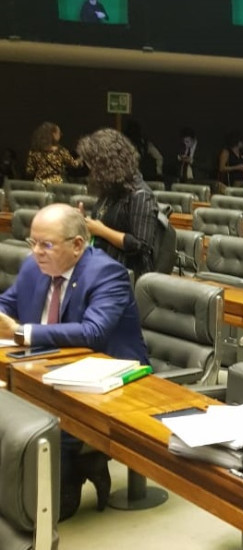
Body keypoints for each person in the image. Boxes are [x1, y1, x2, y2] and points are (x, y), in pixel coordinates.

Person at [0, 203, 148, 521]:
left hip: (108, 377)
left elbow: (94, 332)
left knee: (48, 422)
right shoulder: (34, 267)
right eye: (33, 242)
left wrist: (24, 332)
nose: (36, 252)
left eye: (46, 244)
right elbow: (7, 303)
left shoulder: (107, 273)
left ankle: (68, 478)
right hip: (48, 364)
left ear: (77, 245)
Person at [76, 128, 162, 280]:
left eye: (93, 163)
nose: (90, 168)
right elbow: (106, 222)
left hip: (127, 274)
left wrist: (101, 230)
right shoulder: (111, 188)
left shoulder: (141, 195)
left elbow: (140, 245)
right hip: (103, 264)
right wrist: (85, 223)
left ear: (107, 163)